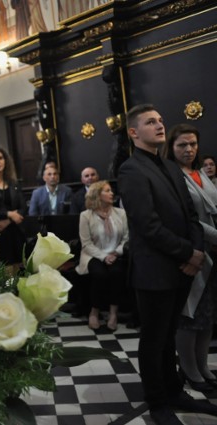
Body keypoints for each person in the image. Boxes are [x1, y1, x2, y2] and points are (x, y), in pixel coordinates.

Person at [118, 104, 217, 425]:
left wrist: (195, 251)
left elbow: (191, 217)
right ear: (134, 132)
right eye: (150, 122)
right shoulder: (131, 170)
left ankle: (175, 391)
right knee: (154, 340)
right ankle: (158, 401)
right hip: (154, 271)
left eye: (161, 120)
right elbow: (147, 225)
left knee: (171, 334)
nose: (160, 125)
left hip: (182, 267)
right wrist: (189, 254)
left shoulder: (171, 168)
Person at [162, 124, 217, 393]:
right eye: (182, 145)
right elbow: (187, 219)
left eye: (193, 144)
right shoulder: (172, 175)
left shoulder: (199, 173)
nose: (189, 149)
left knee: (208, 315)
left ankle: (203, 365)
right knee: (190, 315)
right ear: (171, 148)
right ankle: (189, 368)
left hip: (213, 251)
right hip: (194, 251)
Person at [75, 181, 129, 331]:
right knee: (100, 274)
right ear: (97, 195)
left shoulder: (121, 213)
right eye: (107, 191)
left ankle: (113, 314)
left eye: (111, 190)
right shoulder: (86, 216)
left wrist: (116, 252)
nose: (112, 193)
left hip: (116, 254)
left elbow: (126, 238)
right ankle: (94, 312)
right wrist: (103, 256)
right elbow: (86, 243)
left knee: (117, 273)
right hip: (93, 255)